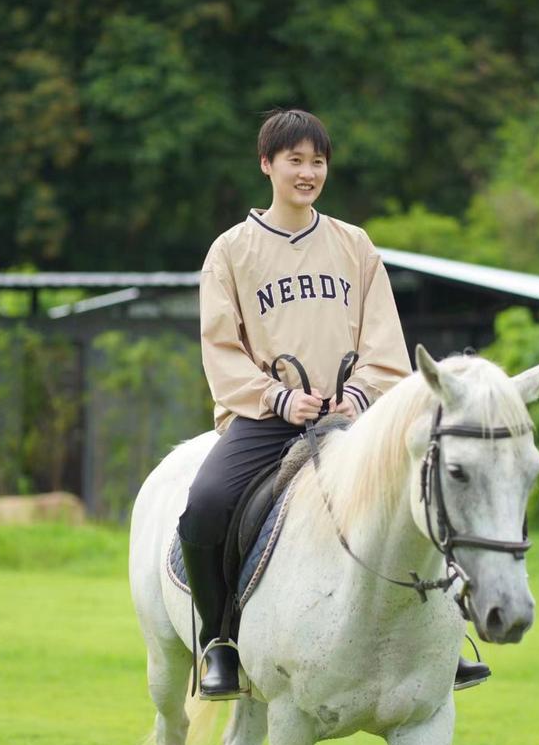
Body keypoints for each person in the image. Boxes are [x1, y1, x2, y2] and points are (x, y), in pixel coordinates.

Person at [178, 108, 490, 699]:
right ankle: (220, 642)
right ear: (266, 164)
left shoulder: (354, 244)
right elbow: (220, 348)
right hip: (268, 418)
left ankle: (446, 636)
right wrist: (277, 398)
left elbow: (383, 338)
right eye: (294, 160)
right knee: (206, 505)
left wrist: (358, 391)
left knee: (432, 489)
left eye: (317, 161)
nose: (308, 172)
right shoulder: (230, 251)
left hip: (354, 417)